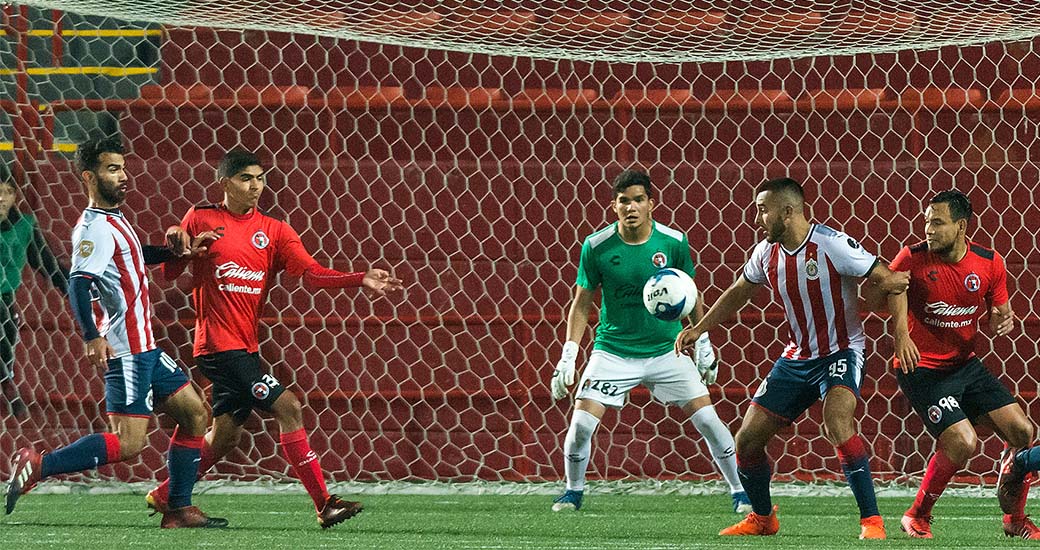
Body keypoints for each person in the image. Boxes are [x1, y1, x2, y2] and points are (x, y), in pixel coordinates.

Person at [144, 149, 403, 529]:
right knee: (289, 407)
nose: (255, 186)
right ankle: (324, 504)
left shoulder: (276, 231)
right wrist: (180, 245)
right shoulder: (202, 217)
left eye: (260, 178)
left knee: (226, 437)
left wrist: (358, 277)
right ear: (224, 183)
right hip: (217, 346)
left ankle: (167, 495)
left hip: (245, 346)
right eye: (246, 178)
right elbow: (168, 272)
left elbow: (312, 274)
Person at [4, 136, 225, 528]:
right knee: (129, 444)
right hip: (126, 350)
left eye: (123, 168)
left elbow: (135, 255)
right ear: (89, 177)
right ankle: (40, 464)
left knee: (193, 414)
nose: (123, 176)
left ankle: (177, 508)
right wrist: (92, 335)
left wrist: (179, 253)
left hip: (148, 348)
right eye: (112, 169)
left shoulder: (114, 220)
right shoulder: (93, 229)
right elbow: (77, 281)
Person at [675, 177, 911, 540]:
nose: (757, 218)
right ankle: (763, 518)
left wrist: (896, 323)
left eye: (762, 210)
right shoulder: (764, 253)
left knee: (837, 422)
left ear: (787, 212)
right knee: (747, 441)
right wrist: (699, 328)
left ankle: (872, 522)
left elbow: (891, 279)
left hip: (841, 350)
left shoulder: (833, 245)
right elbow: (739, 292)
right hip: (797, 358)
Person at [549, 169, 751, 514]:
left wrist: (702, 344)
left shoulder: (673, 241)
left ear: (651, 204)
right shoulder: (596, 246)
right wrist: (568, 356)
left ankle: (740, 493)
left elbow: (690, 293)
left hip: (666, 350)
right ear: (614, 206)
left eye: (638, 200)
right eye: (624, 201)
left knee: (708, 421)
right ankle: (573, 492)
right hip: (613, 351)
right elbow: (582, 302)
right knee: (581, 424)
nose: (631, 207)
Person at [888, 190, 1039, 539]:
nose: (928, 228)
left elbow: (1001, 312)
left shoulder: (989, 262)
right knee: (962, 441)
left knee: (1022, 431)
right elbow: (884, 290)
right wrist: (900, 333)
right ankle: (916, 515)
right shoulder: (912, 258)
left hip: (964, 366)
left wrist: (1003, 321)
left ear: (960, 226)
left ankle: (1014, 520)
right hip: (921, 368)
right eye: (926, 221)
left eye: (937, 222)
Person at [0, 166, 70, 418]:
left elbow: (47, 264)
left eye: (8, 191)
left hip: (5, 303)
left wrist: (74, 290)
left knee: (5, 334)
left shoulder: (24, 227)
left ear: (15, 197)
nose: (2, 197)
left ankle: (6, 383)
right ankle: (7, 387)